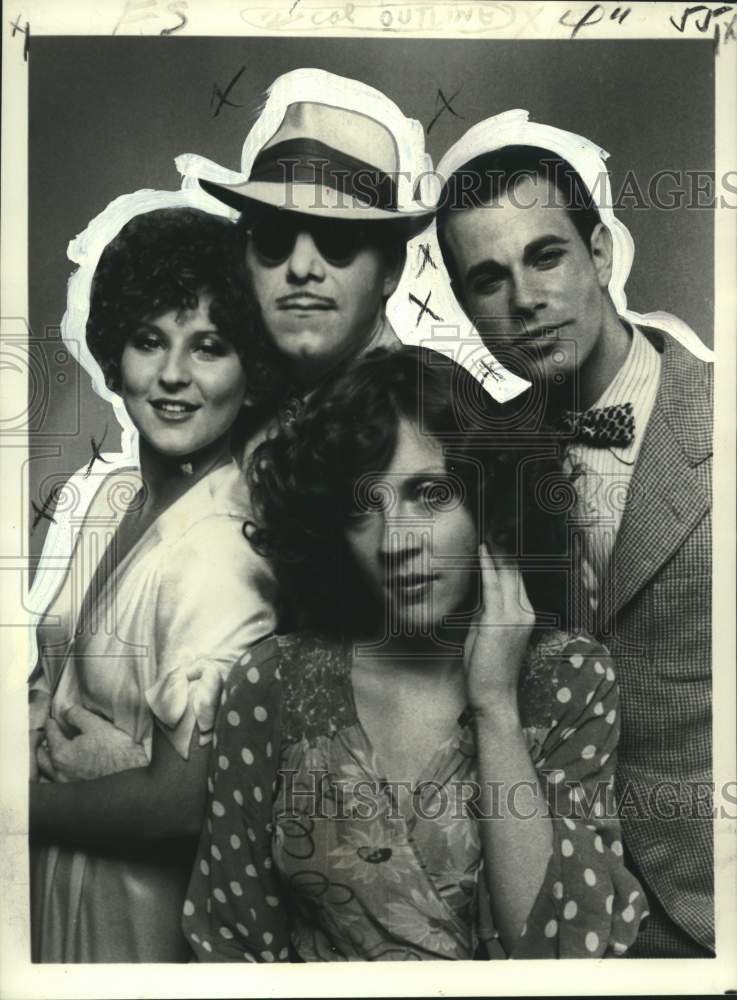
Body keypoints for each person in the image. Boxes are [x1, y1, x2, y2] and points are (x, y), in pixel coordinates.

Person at [182, 346, 647, 961]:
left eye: (430, 493)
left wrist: (495, 707)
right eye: (362, 507)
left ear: (490, 503)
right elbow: (229, 945)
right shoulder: (271, 681)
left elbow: (559, 955)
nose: (396, 542)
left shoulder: (569, 678)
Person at [434, 134, 713, 957]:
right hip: (552, 898)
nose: (523, 299)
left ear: (598, 251)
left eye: (545, 256)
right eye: (488, 279)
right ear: (461, 302)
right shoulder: (477, 461)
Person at [28, 207, 280, 962]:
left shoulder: (225, 544)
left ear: (249, 366)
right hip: (61, 898)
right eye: (149, 341)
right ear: (114, 353)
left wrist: (16, 809)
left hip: (145, 927)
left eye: (208, 347)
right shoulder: (115, 500)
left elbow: (185, 805)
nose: (172, 376)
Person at [186, 68, 435, 395]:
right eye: (273, 238)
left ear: (390, 267)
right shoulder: (233, 405)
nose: (301, 268)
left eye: (338, 239)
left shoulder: (437, 413)